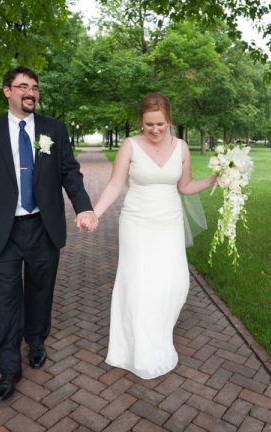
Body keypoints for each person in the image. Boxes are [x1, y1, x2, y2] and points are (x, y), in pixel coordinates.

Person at [0, 66, 97, 402]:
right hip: (2, 232)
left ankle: (36, 341)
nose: (31, 93)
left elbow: (70, 171)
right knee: (6, 299)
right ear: (6, 90)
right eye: (23, 86)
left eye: (35, 87)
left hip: (43, 226)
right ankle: (8, 368)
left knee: (40, 291)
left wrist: (83, 206)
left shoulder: (54, 129)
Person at [90, 92, 216, 379]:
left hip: (169, 223)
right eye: (149, 125)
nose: (155, 130)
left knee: (174, 283)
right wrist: (95, 213)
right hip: (136, 223)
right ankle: (139, 350)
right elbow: (113, 186)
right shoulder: (129, 146)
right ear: (141, 122)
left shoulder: (182, 147)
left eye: (160, 124)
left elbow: (184, 186)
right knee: (138, 285)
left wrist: (213, 180)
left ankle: (158, 333)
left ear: (169, 120)